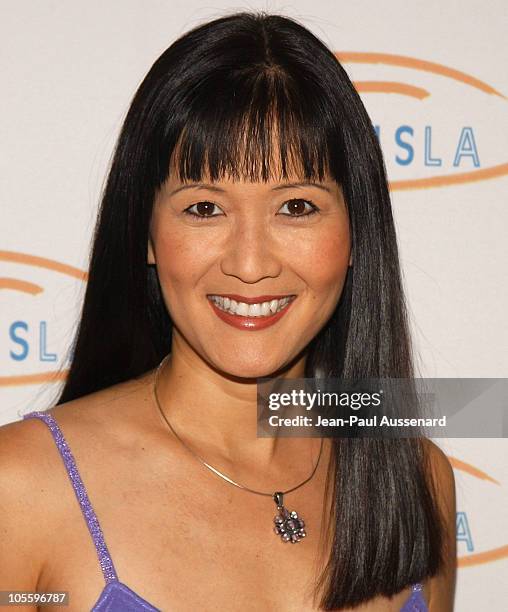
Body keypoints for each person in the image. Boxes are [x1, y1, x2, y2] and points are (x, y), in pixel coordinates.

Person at [0, 10, 456, 611]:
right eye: (204, 208)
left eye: (296, 207)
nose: (250, 263)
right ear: (146, 231)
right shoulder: (24, 488)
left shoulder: (418, 479)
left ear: (356, 235)